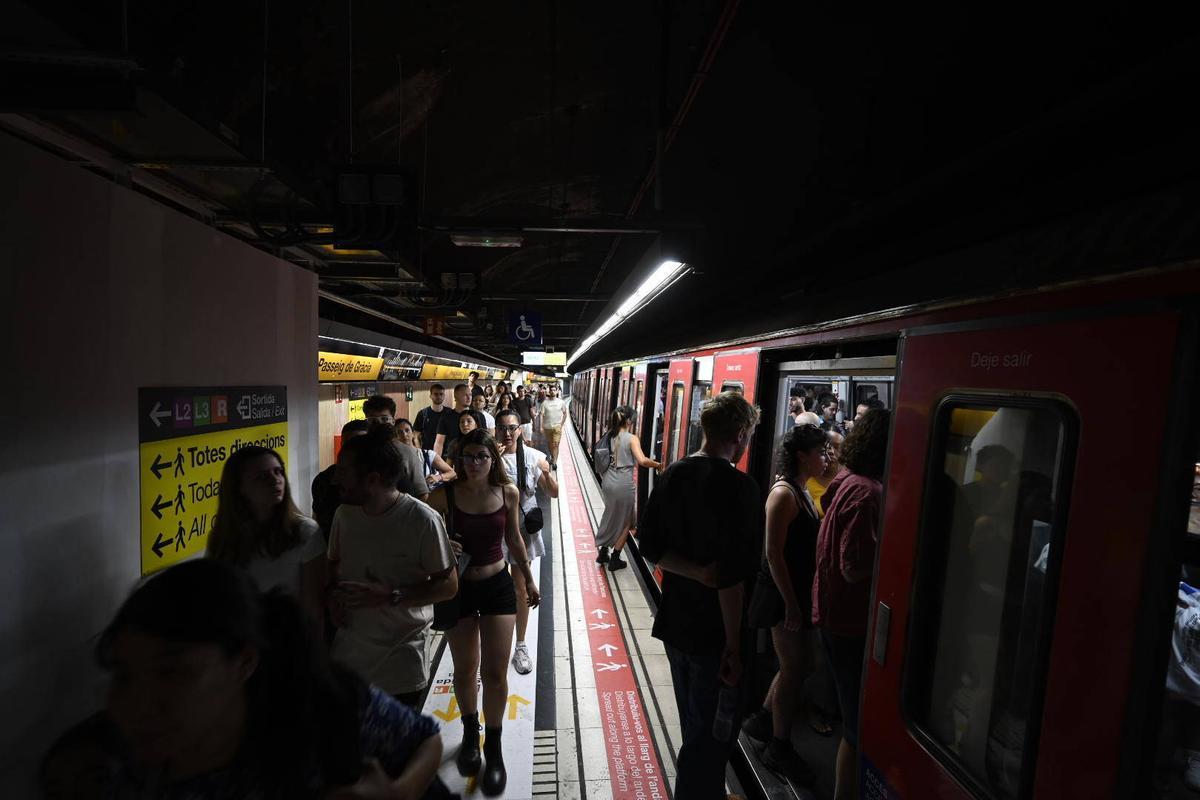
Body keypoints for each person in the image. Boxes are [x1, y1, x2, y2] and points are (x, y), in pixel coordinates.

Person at [41, 559, 450, 799]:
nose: (139, 703)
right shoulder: (98, 772)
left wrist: (399, 793)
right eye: (124, 675)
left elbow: (423, 737)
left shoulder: (322, 707)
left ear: (242, 663)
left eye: (172, 672)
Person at [638, 391, 763, 799]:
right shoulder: (741, 489)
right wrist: (733, 647)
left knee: (696, 725)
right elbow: (730, 580)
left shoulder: (673, 473)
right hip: (714, 636)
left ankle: (704, 788)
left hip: (676, 624)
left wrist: (693, 572)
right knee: (711, 736)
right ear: (741, 434)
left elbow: (649, 547)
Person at [427, 430, 540, 796]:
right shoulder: (443, 495)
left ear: (494, 459)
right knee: (465, 668)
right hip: (459, 589)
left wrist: (527, 577)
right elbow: (424, 536)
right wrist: (443, 541)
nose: (474, 463)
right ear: (459, 460)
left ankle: (494, 745)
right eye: (468, 456)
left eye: (481, 457)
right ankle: (470, 732)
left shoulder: (507, 493)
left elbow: (514, 540)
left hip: (497, 587)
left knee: (493, 672)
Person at [328, 426, 459, 708]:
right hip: (349, 658)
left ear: (373, 479)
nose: (336, 478)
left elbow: (448, 586)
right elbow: (334, 564)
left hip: (400, 664)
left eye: (344, 471)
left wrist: (391, 596)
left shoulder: (422, 520)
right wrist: (332, 597)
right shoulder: (344, 515)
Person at [741, 425, 828, 785]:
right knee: (795, 667)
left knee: (801, 665)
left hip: (795, 594)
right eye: (821, 451)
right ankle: (778, 745)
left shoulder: (802, 490)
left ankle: (763, 718)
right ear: (801, 455)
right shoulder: (783, 494)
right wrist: (792, 604)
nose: (827, 457)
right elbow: (773, 555)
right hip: (782, 597)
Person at [812, 407, 891, 800]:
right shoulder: (869, 492)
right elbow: (853, 566)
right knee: (857, 729)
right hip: (849, 619)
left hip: (830, 612)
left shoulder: (846, 479)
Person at [206, 445, 326, 629]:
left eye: (278, 472)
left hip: (289, 640)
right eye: (261, 477)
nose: (275, 480)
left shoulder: (305, 532)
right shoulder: (224, 538)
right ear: (239, 488)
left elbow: (313, 609)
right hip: (241, 638)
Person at [495, 408, 558, 675]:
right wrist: (490, 462)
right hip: (495, 528)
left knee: (520, 587)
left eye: (513, 428)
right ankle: (494, 638)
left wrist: (546, 472)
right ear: (497, 430)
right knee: (499, 586)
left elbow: (553, 493)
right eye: (503, 428)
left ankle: (520, 644)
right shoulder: (489, 457)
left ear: (520, 430)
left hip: (523, 529)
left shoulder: (533, 457)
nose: (508, 433)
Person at [595, 405, 662, 571]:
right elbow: (642, 460)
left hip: (608, 481)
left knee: (610, 515)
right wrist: (659, 464)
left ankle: (603, 552)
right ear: (629, 420)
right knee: (627, 521)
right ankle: (615, 558)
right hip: (623, 484)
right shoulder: (632, 438)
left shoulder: (609, 435)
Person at [312, 418, 372, 539]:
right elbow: (318, 519)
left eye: (360, 445)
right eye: (348, 445)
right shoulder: (324, 480)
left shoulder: (384, 479)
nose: (354, 451)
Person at [395, 418, 457, 490]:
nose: (404, 434)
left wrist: (438, 477)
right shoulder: (394, 459)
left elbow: (452, 473)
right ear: (395, 437)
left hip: (429, 498)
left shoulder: (427, 455)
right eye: (399, 432)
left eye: (407, 430)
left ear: (413, 434)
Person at [434, 384, 484, 459]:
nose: (469, 397)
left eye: (470, 395)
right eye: (465, 395)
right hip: (452, 458)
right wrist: (436, 463)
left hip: (474, 458)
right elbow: (439, 443)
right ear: (456, 397)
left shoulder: (479, 416)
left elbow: (484, 439)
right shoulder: (446, 417)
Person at [808, 429, 845, 518]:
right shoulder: (806, 478)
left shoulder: (847, 480)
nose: (831, 451)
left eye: (836, 447)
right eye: (827, 446)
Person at [415, 384, 450, 450]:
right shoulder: (422, 414)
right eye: (436, 394)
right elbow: (416, 435)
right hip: (427, 452)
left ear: (444, 396)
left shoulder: (450, 413)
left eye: (441, 394)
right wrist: (419, 450)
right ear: (431, 396)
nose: (439, 396)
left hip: (446, 453)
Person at [540, 384, 567, 468]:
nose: (552, 391)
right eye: (551, 390)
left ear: (557, 391)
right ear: (549, 391)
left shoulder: (561, 402)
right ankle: (552, 457)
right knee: (550, 444)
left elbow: (565, 414)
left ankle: (554, 462)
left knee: (555, 444)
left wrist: (561, 424)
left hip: (557, 427)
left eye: (554, 390)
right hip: (547, 427)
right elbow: (541, 415)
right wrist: (541, 426)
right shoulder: (545, 403)